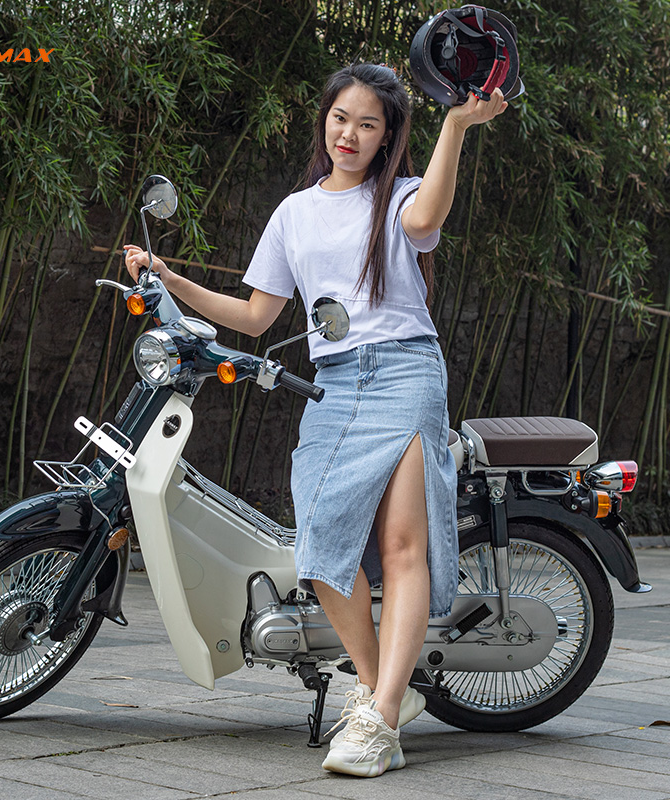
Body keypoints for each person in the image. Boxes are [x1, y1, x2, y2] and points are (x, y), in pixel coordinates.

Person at [125, 63, 507, 778]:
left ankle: (379, 719)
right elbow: (255, 315)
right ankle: (382, 688)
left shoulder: (399, 198)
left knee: (402, 547)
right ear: (323, 120)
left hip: (406, 372)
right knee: (321, 545)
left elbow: (427, 222)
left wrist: (456, 124)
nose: (349, 134)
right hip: (335, 382)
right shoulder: (294, 213)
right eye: (340, 118)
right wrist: (171, 279)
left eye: (368, 124)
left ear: (388, 135)